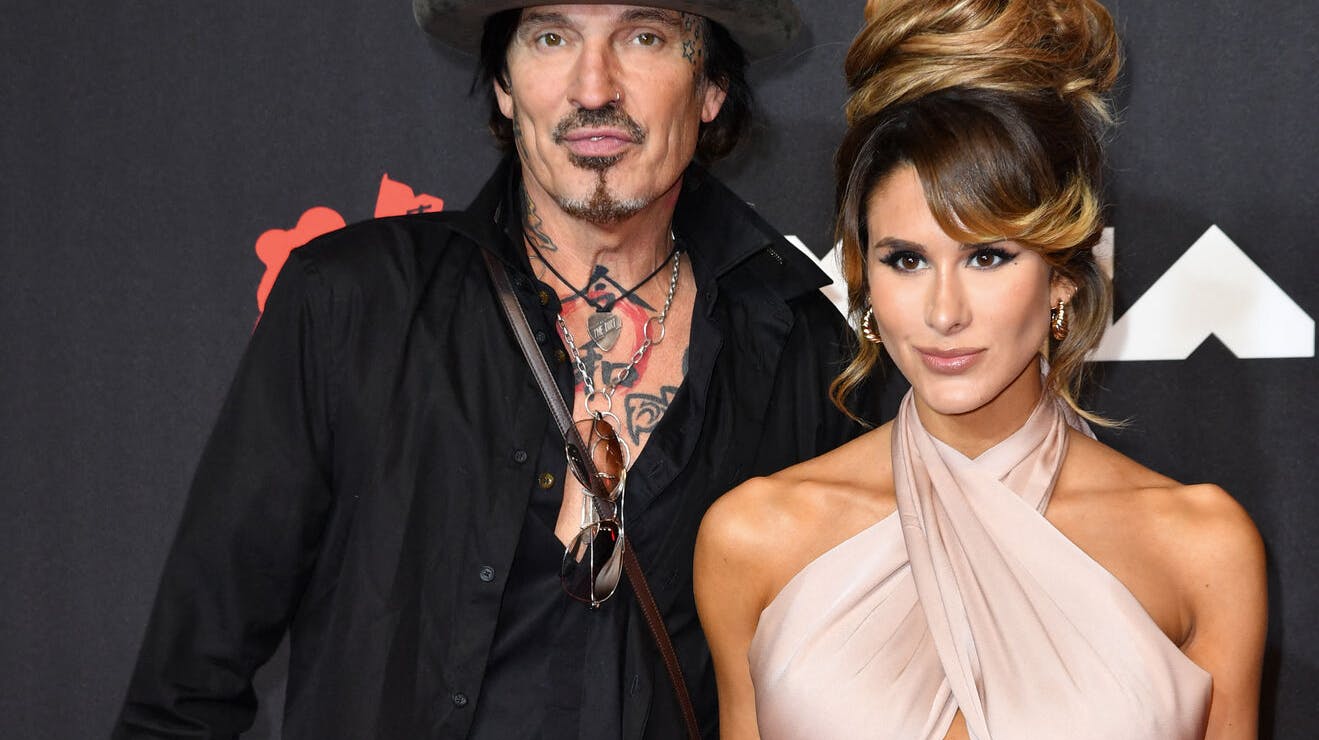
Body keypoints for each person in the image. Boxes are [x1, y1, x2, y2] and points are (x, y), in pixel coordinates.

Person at [115, 2, 874, 738]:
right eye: (550, 38)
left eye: (643, 36)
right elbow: (185, 691)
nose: (593, 88)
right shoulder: (353, 302)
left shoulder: (808, 353)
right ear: (505, 86)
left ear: (711, 88)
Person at [694, 0, 1268, 737]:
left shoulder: (1197, 546)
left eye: (987, 256)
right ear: (863, 274)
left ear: (1062, 275)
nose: (943, 311)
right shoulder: (754, 536)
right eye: (905, 259)